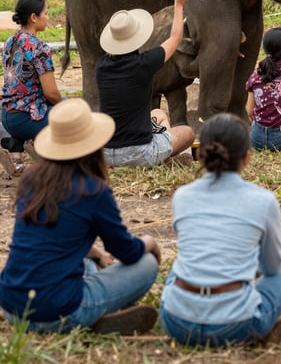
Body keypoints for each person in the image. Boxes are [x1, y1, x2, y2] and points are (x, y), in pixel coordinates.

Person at [0, 99, 161, 335]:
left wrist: (96, 254)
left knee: (87, 261)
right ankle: (87, 316)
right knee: (146, 263)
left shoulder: (31, 182)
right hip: (58, 313)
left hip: (13, 308)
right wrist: (150, 243)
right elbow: (127, 252)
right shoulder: (93, 190)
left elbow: (49, 240)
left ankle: (94, 314)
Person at [160, 113, 281, 346]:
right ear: (246, 158)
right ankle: (255, 329)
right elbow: (273, 267)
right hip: (235, 324)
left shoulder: (181, 196)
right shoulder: (263, 200)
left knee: (180, 268)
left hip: (177, 322)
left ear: (201, 156)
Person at [96, 0, 195, 167]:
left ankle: (163, 152)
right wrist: (179, 4)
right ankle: (167, 157)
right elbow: (175, 38)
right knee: (187, 133)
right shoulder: (144, 64)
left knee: (157, 113)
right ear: (137, 37)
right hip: (139, 154)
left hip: (106, 153)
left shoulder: (101, 66)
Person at [1, 0, 63, 176]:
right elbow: (51, 93)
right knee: (72, 113)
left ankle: (19, 144)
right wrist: (69, 108)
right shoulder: (39, 48)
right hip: (25, 118)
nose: (48, 17)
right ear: (34, 17)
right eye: (46, 13)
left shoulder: (10, 42)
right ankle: (51, 158)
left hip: (7, 114)